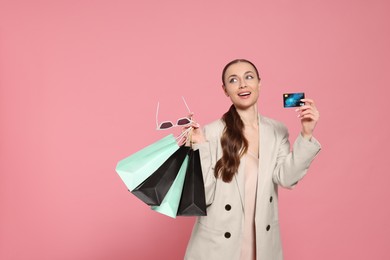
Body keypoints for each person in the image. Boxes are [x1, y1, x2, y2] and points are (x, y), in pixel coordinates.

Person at [183, 59, 321, 260]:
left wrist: (307, 134)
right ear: (225, 90)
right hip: (217, 246)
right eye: (233, 80)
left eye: (249, 77)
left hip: (262, 243)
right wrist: (199, 147)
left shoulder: (277, 131)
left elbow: (287, 178)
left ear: (259, 83)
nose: (243, 85)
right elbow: (205, 195)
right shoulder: (211, 133)